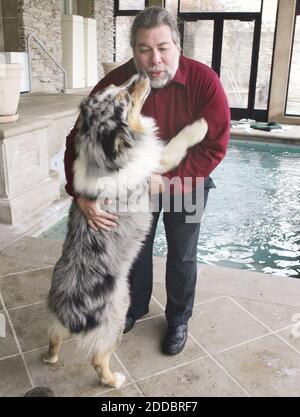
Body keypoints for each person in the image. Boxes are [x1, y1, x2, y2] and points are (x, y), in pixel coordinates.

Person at [64, 7, 230, 355]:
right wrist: (81, 193)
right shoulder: (116, 84)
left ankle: (178, 319)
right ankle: (136, 308)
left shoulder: (204, 81)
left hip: (186, 182)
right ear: (133, 49)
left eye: (163, 47)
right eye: (144, 49)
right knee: (135, 253)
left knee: (182, 255)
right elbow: (78, 139)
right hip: (133, 189)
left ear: (177, 45)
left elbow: (215, 145)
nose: (155, 59)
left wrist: (170, 179)